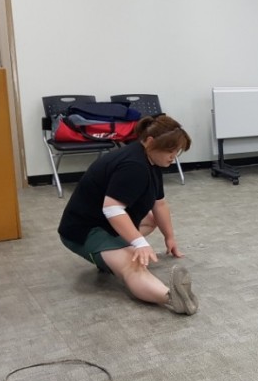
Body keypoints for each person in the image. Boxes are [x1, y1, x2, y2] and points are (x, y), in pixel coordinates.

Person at [58, 114, 199, 314]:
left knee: (150, 221)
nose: (174, 156)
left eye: (177, 151)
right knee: (133, 266)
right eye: (170, 150)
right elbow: (112, 209)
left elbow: (159, 204)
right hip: (83, 230)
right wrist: (139, 243)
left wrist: (170, 238)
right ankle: (172, 298)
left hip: (105, 223)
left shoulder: (151, 159)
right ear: (150, 141)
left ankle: (112, 256)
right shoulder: (134, 165)